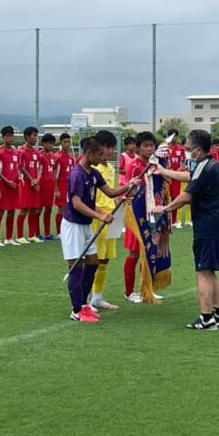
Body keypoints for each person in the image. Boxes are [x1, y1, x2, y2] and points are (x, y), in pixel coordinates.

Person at [151, 129, 219, 330]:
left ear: (197, 150)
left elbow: (186, 196)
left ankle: (206, 317)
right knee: (210, 271)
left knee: (202, 271)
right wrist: (162, 170)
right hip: (217, 224)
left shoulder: (206, 167)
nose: (186, 152)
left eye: (187, 149)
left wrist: (164, 209)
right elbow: (188, 176)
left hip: (208, 226)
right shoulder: (210, 165)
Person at [62, 137, 139, 322]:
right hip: (73, 225)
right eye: (99, 154)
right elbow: (77, 203)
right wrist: (101, 215)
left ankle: (84, 303)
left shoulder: (93, 173)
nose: (102, 157)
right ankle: (76, 309)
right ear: (89, 153)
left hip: (85, 224)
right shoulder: (77, 174)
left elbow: (110, 192)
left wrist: (129, 186)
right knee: (76, 267)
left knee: (93, 262)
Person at [123, 131, 169, 304]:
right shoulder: (134, 166)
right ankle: (129, 292)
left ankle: (147, 288)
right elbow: (130, 190)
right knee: (134, 253)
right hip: (137, 216)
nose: (150, 149)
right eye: (146, 146)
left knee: (151, 250)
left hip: (153, 215)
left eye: (152, 146)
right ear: (137, 147)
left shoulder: (156, 165)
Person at [90, 130, 123, 310]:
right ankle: (87, 297)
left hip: (112, 217)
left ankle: (97, 296)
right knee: (94, 259)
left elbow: (111, 192)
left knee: (106, 259)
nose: (110, 151)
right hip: (98, 218)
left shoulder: (110, 168)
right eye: (107, 147)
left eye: (112, 147)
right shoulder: (93, 168)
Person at [0, 126, 21, 246]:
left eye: (11, 135)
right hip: (3, 185)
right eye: (8, 136)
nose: (10, 138)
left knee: (11, 211)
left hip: (14, 186)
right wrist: (6, 181)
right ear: (3, 137)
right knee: (0, 211)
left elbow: (17, 168)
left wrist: (18, 178)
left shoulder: (16, 152)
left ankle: (8, 238)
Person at [16, 126, 43, 244]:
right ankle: (20, 236)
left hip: (34, 183)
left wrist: (37, 179)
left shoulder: (37, 153)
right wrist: (32, 180)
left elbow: (39, 168)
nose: (35, 138)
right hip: (26, 184)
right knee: (24, 210)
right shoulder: (21, 151)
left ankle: (32, 235)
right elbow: (21, 167)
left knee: (34, 210)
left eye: (36, 136)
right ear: (27, 137)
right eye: (33, 136)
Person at [54, 132, 75, 237]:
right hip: (61, 185)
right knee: (61, 209)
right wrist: (56, 189)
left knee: (69, 208)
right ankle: (59, 232)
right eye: (65, 142)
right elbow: (55, 175)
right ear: (61, 143)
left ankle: (66, 230)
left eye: (68, 142)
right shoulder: (57, 157)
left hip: (69, 185)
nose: (67, 144)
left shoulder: (71, 158)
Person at [39, 133, 58, 240]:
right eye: (49, 143)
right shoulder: (39, 156)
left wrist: (55, 188)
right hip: (42, 184)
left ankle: (47, 233)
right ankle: (37, 233)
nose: (51, 146)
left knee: (49, 209)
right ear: (44, 143)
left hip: (50, 185)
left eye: (52, 144)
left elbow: (54, 172)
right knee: (38, 209)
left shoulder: (53, 157)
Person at [166, 129, 186, 228]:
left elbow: (183, 162)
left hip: (176, 177)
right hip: (166, 176)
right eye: (171, 136)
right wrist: (168, 171)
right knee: (165, 198)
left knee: (175, 198)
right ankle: (165, 220)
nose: (173, 138)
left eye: (175, 136)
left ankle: (174, 221)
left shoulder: (180, 149)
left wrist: (177, 171)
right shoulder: (164, 148)